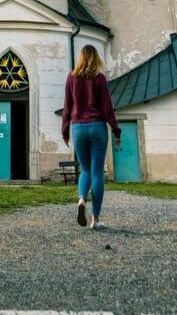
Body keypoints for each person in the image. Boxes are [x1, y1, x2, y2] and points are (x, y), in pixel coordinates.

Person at [62, 44, 121, 229]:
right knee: (97, 172)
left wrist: (65, 131)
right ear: (96, 58)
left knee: (85, 169)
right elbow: (107, 107)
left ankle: (81, 200)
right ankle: (95, 219)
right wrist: (116, 129)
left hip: (78, 127)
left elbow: (67, 107)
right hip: (97, 126)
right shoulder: (100, 78)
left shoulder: (71, 78)